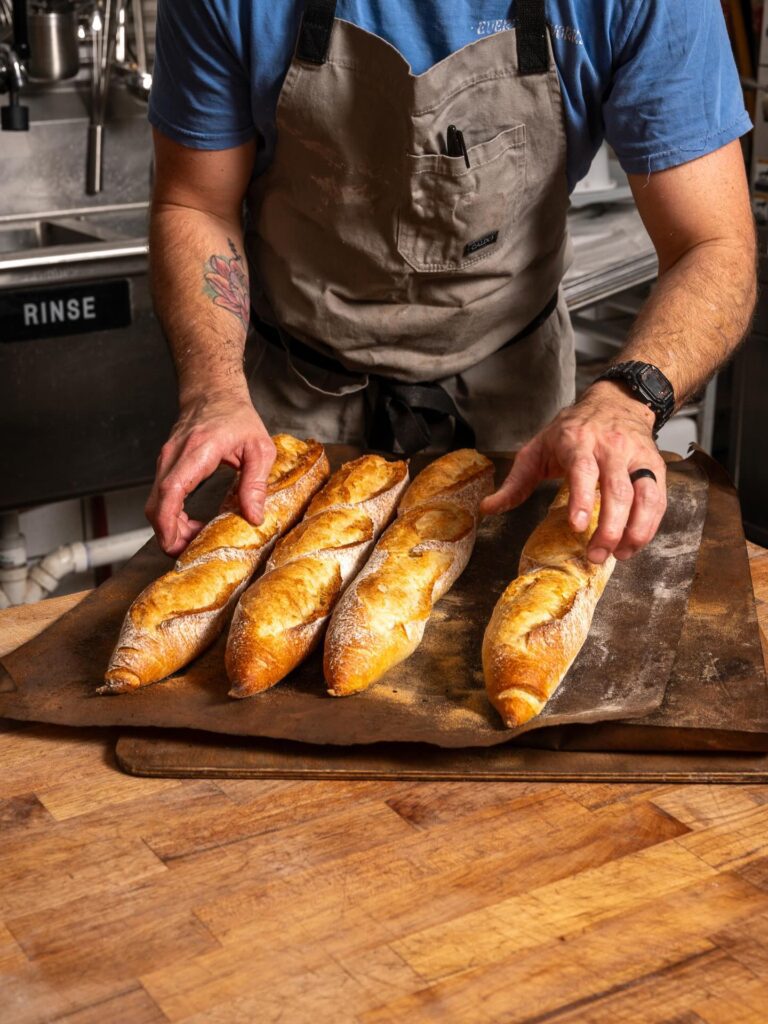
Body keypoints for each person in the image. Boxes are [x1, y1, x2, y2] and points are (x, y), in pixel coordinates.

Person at [144, 0, 756, 565]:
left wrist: (626, 401)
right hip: (285, 419)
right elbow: (196, 205)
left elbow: (712, 244)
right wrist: (212, 393)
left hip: (522, 425)